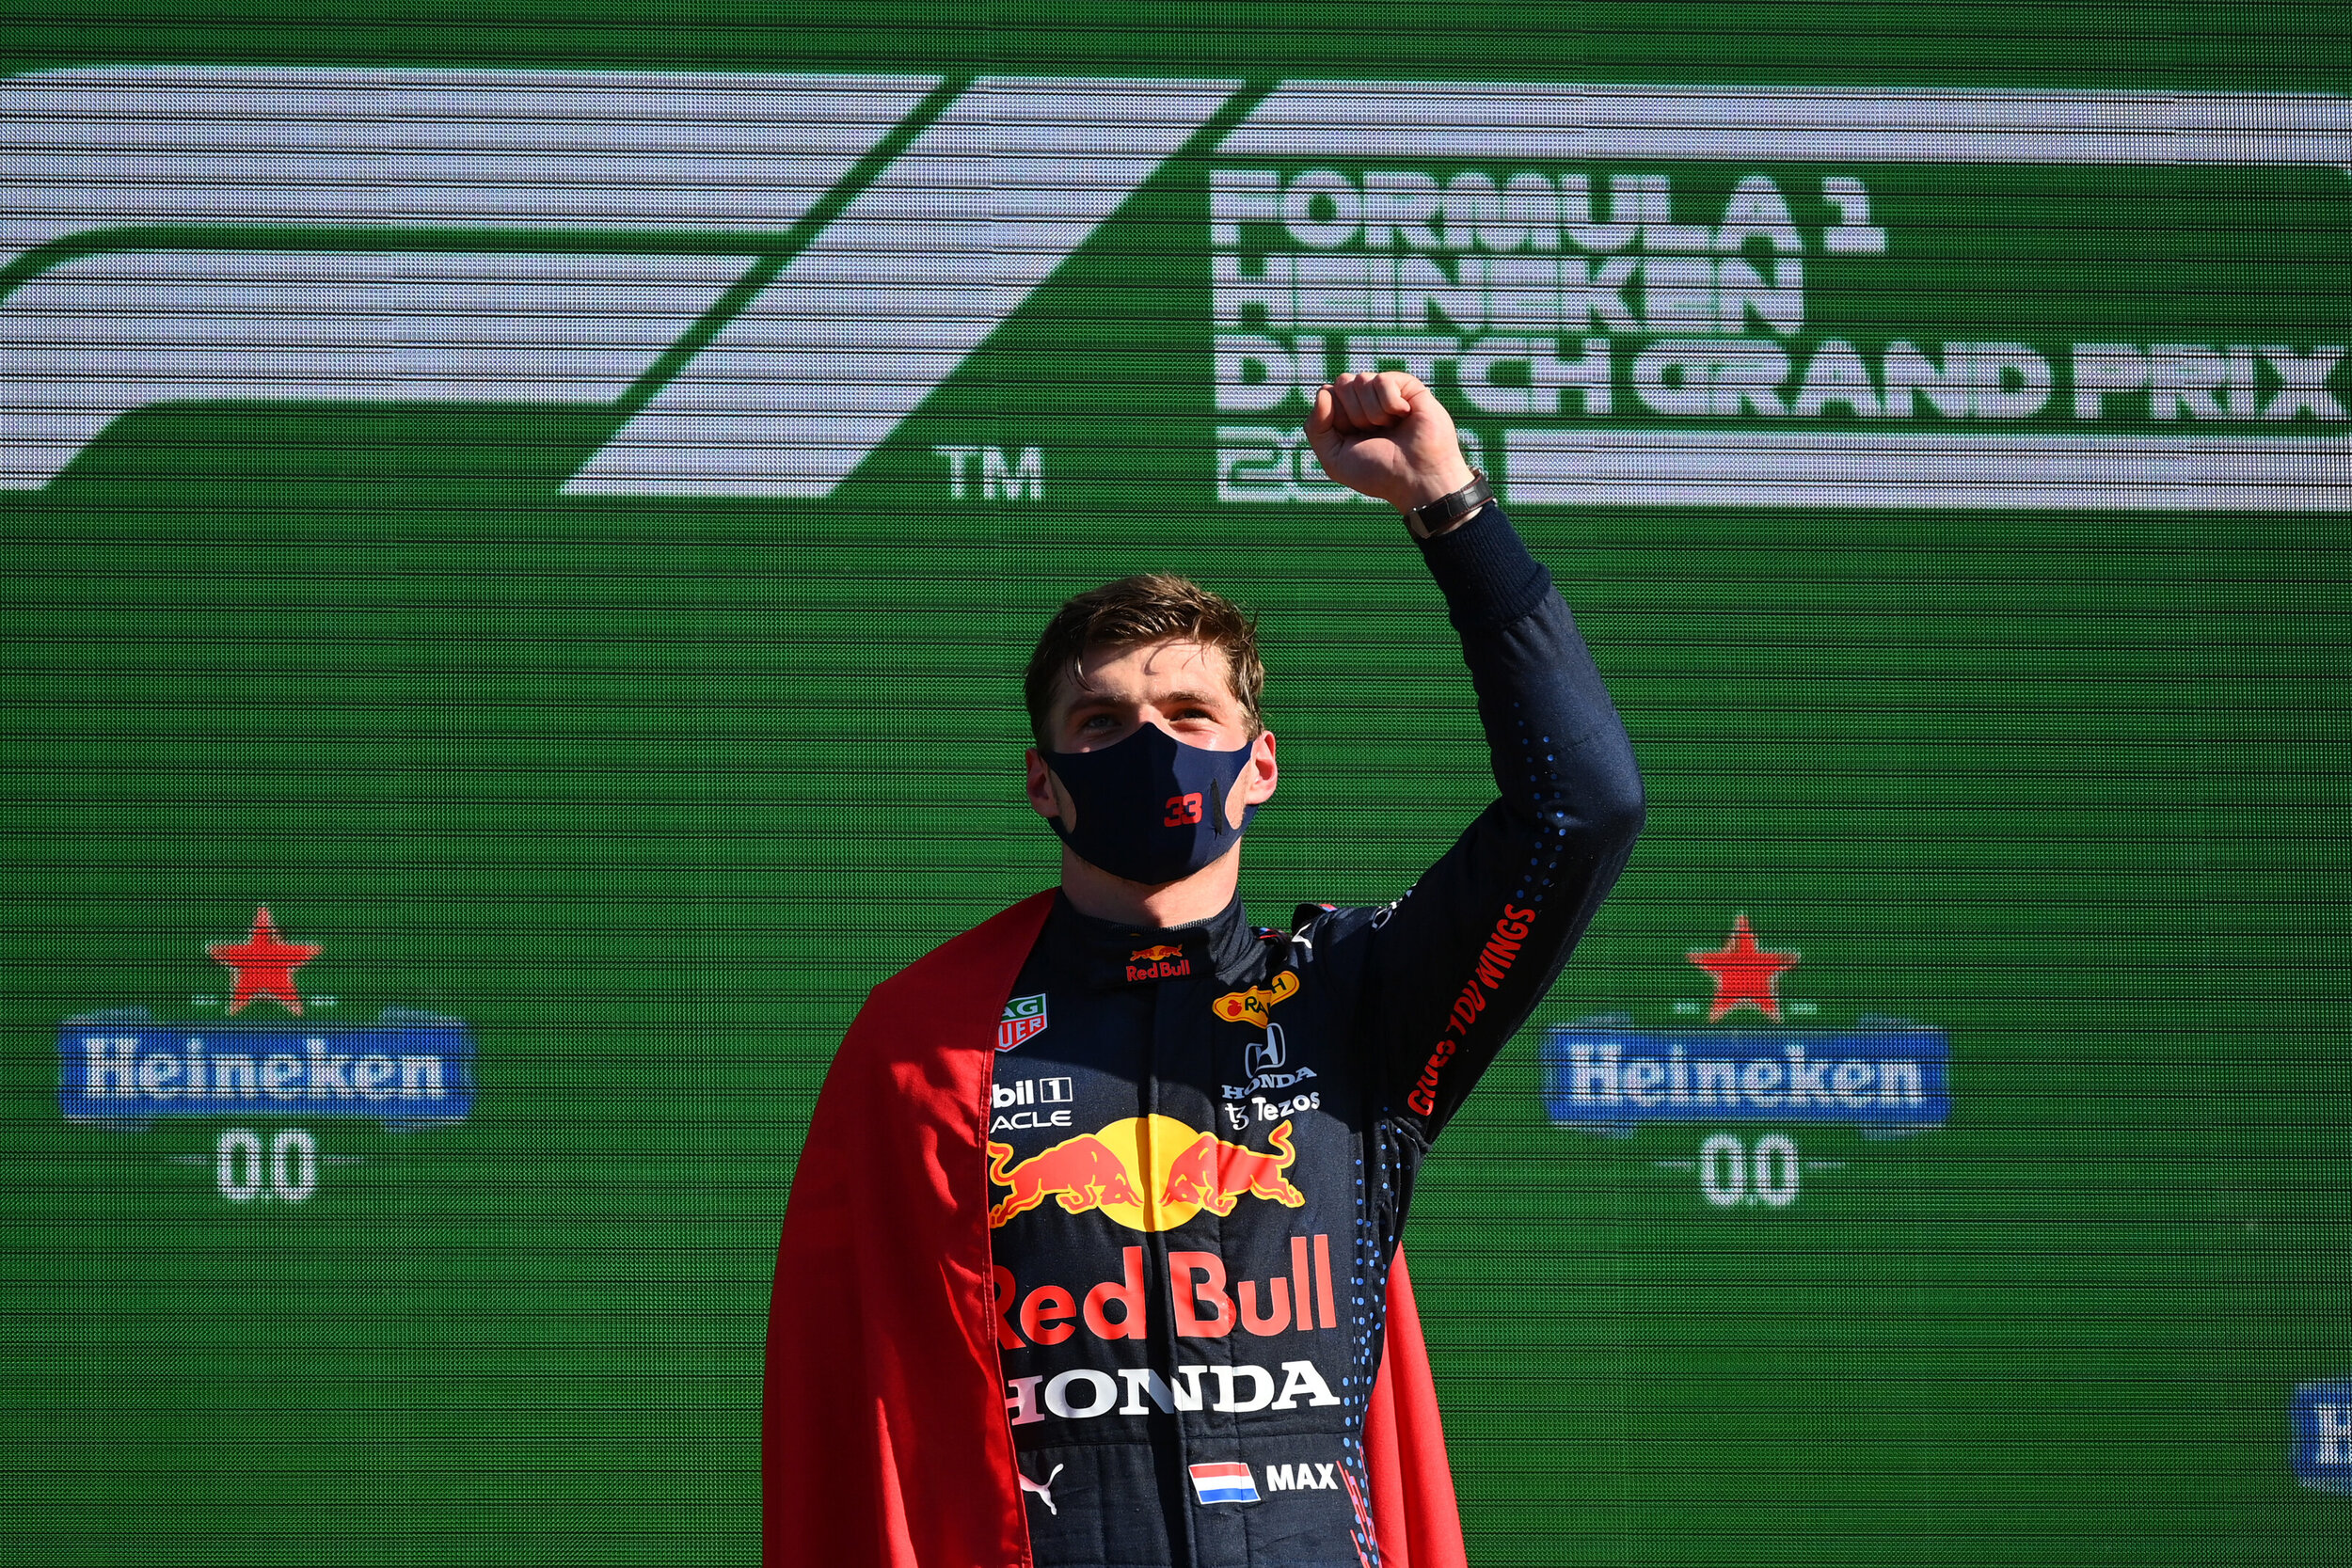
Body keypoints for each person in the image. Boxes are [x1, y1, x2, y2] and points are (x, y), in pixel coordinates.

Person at [766, 372, 1645, 1568]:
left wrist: (1449, 505)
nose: (1149, 744)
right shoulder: (926, 1042)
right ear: (1042, 780)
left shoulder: (1357, 995)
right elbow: (850, 1416)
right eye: (1101, 722)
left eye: (1190, 713)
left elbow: (1583, 807)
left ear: (1261, 763)